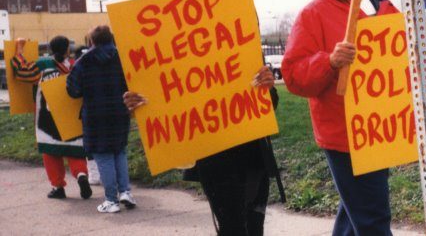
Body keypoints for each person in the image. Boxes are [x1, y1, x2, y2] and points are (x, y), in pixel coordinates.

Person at [281, 0, 426, 235]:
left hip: (377, 130)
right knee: (372, 217)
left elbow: (405, 43)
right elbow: (292, 75)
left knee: (357, 210)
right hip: (342, 134)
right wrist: (329, 61)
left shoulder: (381, 5)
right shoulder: (313, 14)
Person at [124, 65, 283, 235]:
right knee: (233, 228)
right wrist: (139, 106)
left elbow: (269, 102)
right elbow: (163, 98)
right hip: (215, 163)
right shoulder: (180, 61)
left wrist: (268, 86)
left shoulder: (238, 48)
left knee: (254, 229)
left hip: (252, 158)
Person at [11, 36, 92, 200]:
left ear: (51, 48)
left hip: (47, 118)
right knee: (75, 151)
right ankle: (81, 175)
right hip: (71, 117)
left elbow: (23, 72)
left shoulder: (43, 65)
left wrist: (19, 51)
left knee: (51, 153)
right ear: (67, 49)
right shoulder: (75, 65)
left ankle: (58, 186)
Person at [67, 25, 133, 213]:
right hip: (120, 111)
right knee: (119, 151)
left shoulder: (83, 61)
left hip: (95, 115)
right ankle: (125, 192)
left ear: (92, 41)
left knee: (103, 155)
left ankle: (111, 201)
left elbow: (72, 90)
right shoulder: (122, 57)